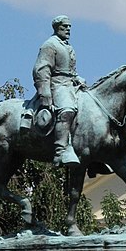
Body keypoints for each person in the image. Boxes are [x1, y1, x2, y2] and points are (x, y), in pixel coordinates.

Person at [32, 15, 85, 167]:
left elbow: (71, 71)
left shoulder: (68, 47)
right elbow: (41, 70)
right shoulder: (50, 45)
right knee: (67, 110)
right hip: (57, 85)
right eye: (65, 26)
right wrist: (45, 93)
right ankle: (60, 151)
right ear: (56, 28)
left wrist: (77, 78)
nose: (68, 29)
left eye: (69, 27)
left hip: (70, 85)